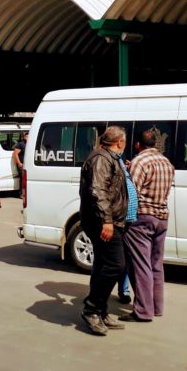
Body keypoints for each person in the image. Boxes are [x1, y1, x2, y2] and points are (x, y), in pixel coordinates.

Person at [78, 125, 129, 336]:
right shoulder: (101, 158)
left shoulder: (110, 158)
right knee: (116, 264)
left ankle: (101, 310)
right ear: (119, 142)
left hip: (111, 219)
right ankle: (91, 309)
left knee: (102, 264)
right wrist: (107, 221)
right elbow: (98, 191)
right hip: (103, 221)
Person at [121, 130, 176, 322]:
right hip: (162, 216)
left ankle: (143, 311)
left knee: (140, 265)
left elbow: (131, 191)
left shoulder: (140, 161)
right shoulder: (166, 162)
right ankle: (156, 306)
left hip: (142, 218)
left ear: (138, 144)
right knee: (156, 265)